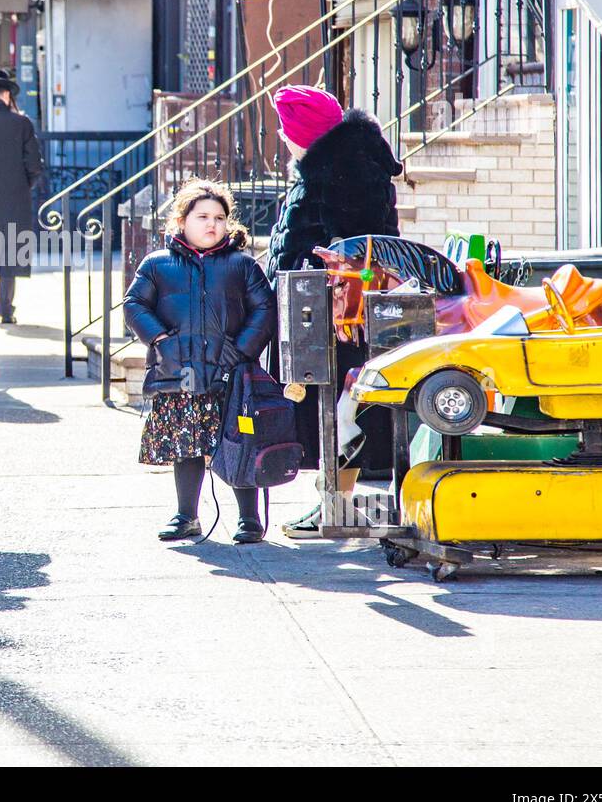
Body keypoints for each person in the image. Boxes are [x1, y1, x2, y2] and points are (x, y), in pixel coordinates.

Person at [265, 86, 403, 539]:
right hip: (339, 314)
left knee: (336, 407)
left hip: (335, 318)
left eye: (286, 131)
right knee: (340, 407)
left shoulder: (336, 176)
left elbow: (344, 253)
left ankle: (336, 505)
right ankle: (333, 501)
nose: (283, 139)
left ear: (304, 133)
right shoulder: (351, 166)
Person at [124, 179, 276, 545]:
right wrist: (161, 340)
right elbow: (134, 305)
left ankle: (249, 519)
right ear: (182, 220)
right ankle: (186, 515)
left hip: (230, 374)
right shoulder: (158, 264)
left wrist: (239, 350)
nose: (212, 224)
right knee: (186, 443)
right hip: (180, 371)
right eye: (202, 216)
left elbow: (265, 310)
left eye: (220, 217)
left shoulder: (241, 265)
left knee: (239, 442)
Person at [0, 66, 43, 323]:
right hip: (16, 199)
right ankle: (6, 310)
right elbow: (35, 165)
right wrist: (23, 185)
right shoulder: (22, 123)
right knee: (11, 255)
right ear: (6, 95)